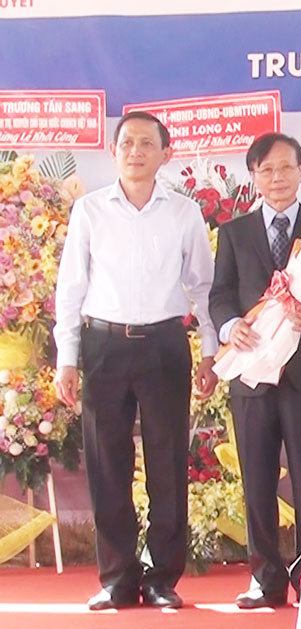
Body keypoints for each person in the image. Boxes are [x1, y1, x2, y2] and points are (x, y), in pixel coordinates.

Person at [54, 111, 218, 610]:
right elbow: (71, 288)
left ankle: (163, 577)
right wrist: (68, 358)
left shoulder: (184, 213)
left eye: (147, 143)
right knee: (108, 464)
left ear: (166, 153)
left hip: (165, 345)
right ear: (114, 152)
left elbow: (202, 287)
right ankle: (117, 578)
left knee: (168, 462)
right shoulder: (89, 210)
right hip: (102, 345)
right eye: (126, 143)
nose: (136, 151)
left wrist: (210, 351)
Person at [209, 132, 301, 608]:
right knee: (258, 479)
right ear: (254, 176)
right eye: (266, 170)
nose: (277, 178)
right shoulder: (234, 232)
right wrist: (229, 327)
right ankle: (265, 578)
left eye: (286, 168)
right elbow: (220, 294)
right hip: (252, 376)